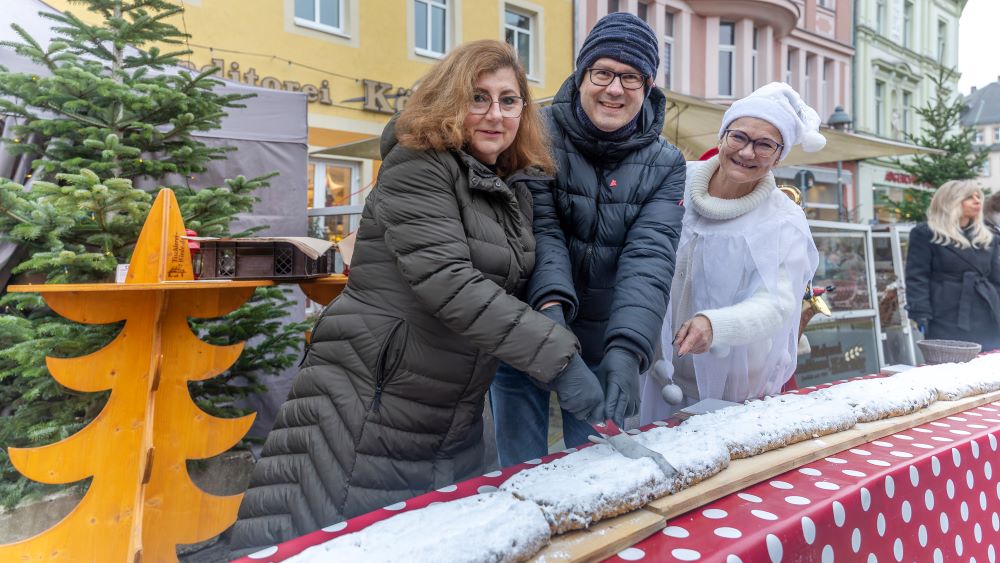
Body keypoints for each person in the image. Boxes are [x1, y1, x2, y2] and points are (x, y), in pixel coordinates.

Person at [228, 40, 604, 555]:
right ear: (450, 100)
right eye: (478, 98)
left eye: (509, 100)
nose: (495, 114)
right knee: (337, 543)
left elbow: (516, 274)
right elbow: (447, 278)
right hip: (371, 401)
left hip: (452, 411)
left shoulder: (506, 184)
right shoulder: (419, 164)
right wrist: (560, 361)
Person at [489, 12, 687, 466]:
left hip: (603, 341)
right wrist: (551, 316)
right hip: (527, 328)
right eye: (602, 72)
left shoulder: (666, 162)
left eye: (630, 76)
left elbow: (650, 254)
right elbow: (540, 229)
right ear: (582, 75)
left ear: (648, 84)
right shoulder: (533, 130)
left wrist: (628, 347)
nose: (614, 88)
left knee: (598, 467)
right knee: (518, 471)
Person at [638, 82, 822, 424]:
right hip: (655, 374)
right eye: (739, 137)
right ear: (722, 137)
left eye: (765, 144)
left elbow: (777, 303)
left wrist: (716, 324)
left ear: (780, 155)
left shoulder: (783, 220)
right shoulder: (673, 182)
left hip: (731, 387)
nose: (747, 152)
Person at [905, 180, 1000, 351]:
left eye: (978, 196)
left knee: (987, 367)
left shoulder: (987, 236)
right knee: (950, 366)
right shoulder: (925, 233)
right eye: (969, 197)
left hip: (987, 309)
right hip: (945, 312)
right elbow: (917, 277)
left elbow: (996, 277)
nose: (977, 201)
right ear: (951, 201)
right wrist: (920, 313)